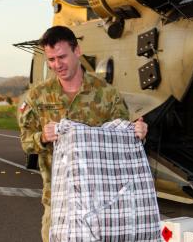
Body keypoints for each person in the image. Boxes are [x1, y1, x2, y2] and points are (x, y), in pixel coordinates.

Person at [18, 25, 148, 242]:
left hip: (100, 201)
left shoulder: (106, 94)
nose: (57, 65)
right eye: (51, 60)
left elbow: (123, 143)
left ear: (77, 51)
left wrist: (138, 132)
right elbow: (26, 143)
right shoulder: (38, 96)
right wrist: (43, 137)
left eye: (62, 57)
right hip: (57, 201)